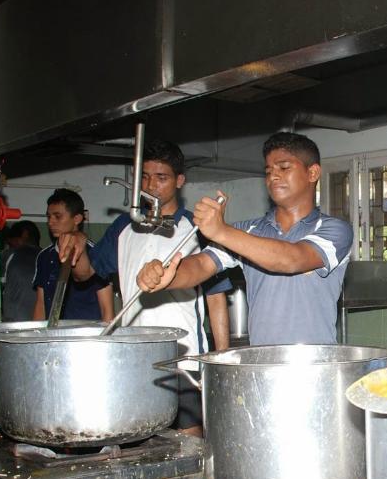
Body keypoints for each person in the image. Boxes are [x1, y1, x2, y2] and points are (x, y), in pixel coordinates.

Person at [59, 140, 230, 436]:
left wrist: (223, 360)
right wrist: (75, 242)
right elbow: (86, 272)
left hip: (183, 357)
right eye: (146, 177)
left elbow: (216, 297)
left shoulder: (196, 229)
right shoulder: (123, 226)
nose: (151, 186)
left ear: (179, 180)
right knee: (137, 439)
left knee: (188, 443)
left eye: (161, 178)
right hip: (133, 356)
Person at [135, 132, 353, 346]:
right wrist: (167, 276)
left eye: (284, 168)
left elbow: (291, 259)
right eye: (268, 171)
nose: (273, 177)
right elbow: (201, 265)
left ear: (312, 173)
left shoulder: (335, 230)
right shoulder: (247, 231)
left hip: (316, 362)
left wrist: (221, 231)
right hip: (259, 362)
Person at [32, 189, 114, 322]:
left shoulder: (96, 254)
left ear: (77, 219)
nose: (51, 222)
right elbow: (41, 304)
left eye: (57, 216)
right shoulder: (44, 256)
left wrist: (105, 334)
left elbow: (107, 309)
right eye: (49, 217)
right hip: (53, 332)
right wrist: (36, 333)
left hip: (87, 332)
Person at [1, 220, 42, 321]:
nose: (10, 245)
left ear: (24, 235)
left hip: (15, 321)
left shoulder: (11, 255)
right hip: (42, 320)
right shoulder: (46, 256)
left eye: (12, 241)